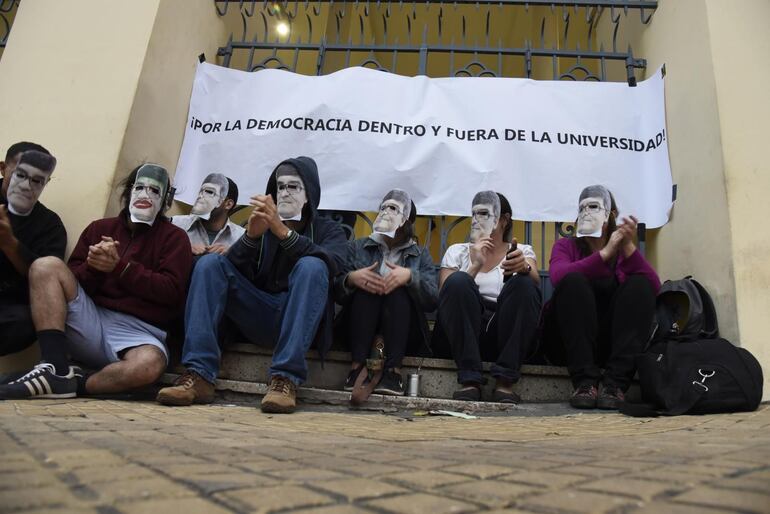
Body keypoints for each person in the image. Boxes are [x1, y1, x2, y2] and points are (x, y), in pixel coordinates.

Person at [156, 156, 347, 413]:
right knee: (210, 265)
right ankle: (199, 374)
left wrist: (284, 233)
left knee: (313, 265)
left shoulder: (329, 230)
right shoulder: (262, 226)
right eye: (280, 187)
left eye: (294, 187)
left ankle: (285, 379)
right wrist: (251, 237)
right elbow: (233, 272)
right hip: (260, 313)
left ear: (309, 193)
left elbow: (336, 265)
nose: (285, 193)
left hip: (302, 322)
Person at [0, 164, 192, 399]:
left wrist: (121, 268)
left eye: (154, 190)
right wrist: (95, 268)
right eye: (139, 187)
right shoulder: (99, 228)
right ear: (127, 192)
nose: (145, 195)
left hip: (139, 333)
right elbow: (70, 280)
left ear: (164, 200)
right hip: (89, 319)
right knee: (45, 265)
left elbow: (171, 292)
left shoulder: (175, 238)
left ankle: (71, 382)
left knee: (148, 366)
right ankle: (54, 364)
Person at [543, 185, 660, 410]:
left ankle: (614, 384)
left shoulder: (623, 255)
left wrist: (626, 246)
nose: (586, 212)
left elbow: (653, 287)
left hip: (608, 343)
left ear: (611, 214)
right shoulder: (565, 246)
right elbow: (558, 277)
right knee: (574, 281)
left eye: (594, 206)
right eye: (582, 208)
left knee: (639, 284)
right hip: (567, 342)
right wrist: (604, 255)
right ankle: (585, 383)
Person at [434, 191, 541, 403]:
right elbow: (446, 294)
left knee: (524, 283)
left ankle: (505, 382)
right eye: (473, 214)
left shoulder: (520, 250)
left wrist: (523, 267)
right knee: (458, 281)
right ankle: (470, 380)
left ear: (503, 220)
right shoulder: (457, 251)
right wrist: (475, 264)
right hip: (461, 332)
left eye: (483, 213)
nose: (476, 220)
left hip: (499, 333)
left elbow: (535, 281)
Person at [335, 189, 437, 396]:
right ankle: (356, 368)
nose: (387, 214)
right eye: (385, 209)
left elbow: (432, 300)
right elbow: (335, 291)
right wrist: (351, 279)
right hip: (359, 324)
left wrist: (409, 277)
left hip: (404, 330)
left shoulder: (420, 254)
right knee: (369, 285)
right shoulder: (358, 247)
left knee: (397, 289)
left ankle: (393, 372)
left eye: (395, 210)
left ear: (407, 222)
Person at [0, 145, 66, 362]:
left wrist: (11, 245)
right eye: (20, 175)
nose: (27, 186)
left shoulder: (49, 224)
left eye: (38, 180)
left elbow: (46, 282)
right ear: (3, 169)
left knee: (28, 320)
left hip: (8, 307)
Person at [171, 173, 244, 258]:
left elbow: (249, 267)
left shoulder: (240, 237)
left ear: (228, 204)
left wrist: (231, 255)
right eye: (201, 191)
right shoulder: (176, 224)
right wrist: (182, 249)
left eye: (209, 192)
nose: (201, 196)